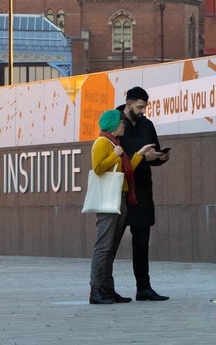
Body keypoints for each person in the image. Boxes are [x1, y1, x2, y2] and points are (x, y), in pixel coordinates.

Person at [89, 109, 155, 305]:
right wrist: (115, 156)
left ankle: (108, 290)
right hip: (108, 201)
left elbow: (126, 171)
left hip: (120, 200)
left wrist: (139, 154)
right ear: (113, 124)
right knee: (103, 248)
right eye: (121, 122)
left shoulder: (114, 143)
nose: (123, 125)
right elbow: (98, 168)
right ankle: (97, 290)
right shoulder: (102, 143)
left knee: (111, 248)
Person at [117, 86, 171, 301]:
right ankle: (103, 287)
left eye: (144, 107)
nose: (142, 111)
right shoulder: (115, 122)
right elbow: (113, 157)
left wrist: (160, 157)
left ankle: (144, 288)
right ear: (128, 103)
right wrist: (141, 158)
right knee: (110, 243)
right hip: (120, 190)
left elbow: (153, 153)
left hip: (142, 191)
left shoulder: (147, 124)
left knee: (141, 243)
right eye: (139, 107)